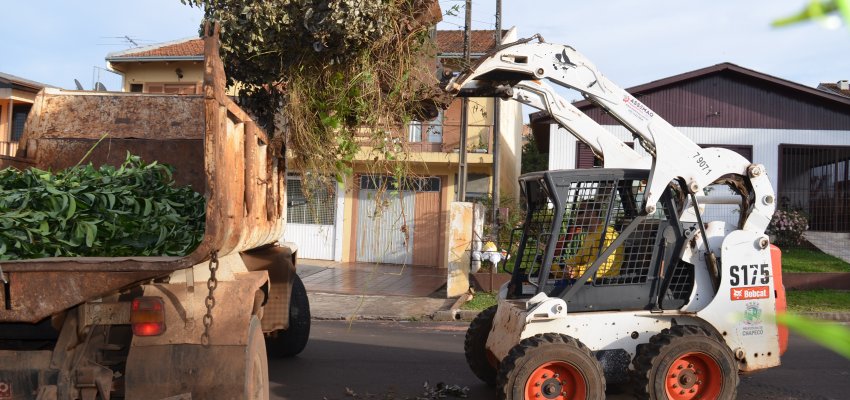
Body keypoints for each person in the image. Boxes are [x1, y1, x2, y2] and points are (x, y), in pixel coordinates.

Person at [559, 199, 624, 281]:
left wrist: (578, 271)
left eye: (580, 212)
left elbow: (604, 265)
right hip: (587, 280)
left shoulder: (607, 234)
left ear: (593, 213)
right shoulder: (590, 235)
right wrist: (562, 266)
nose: (576, 217)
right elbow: (579, 258)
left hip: (603, 283)